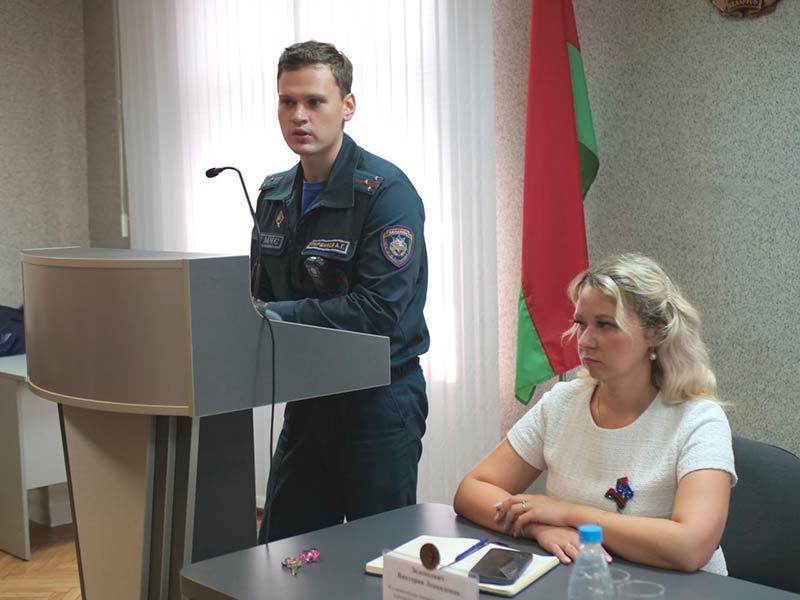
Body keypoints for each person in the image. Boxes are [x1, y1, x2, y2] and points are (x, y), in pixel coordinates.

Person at [453, 254, 736, 574]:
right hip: (584, 581)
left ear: (654, 333)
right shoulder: (561, 403)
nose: (585, 341)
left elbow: (691, 546)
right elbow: (472, 490)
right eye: (581, 323)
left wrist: (568, 514)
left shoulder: (699, 420)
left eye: (605, 325)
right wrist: (537, 527)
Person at [251, 40, 429, 543]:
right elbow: (257, 294)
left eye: (314, 101)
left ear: (347, 106)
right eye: (287, 101)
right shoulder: (273, 194)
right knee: (287, 554)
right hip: (309, 397)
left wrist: (277, 314)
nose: (298, 115)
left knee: (380, 555)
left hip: (379, 400)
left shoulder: (386, 192)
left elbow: (377, 312)